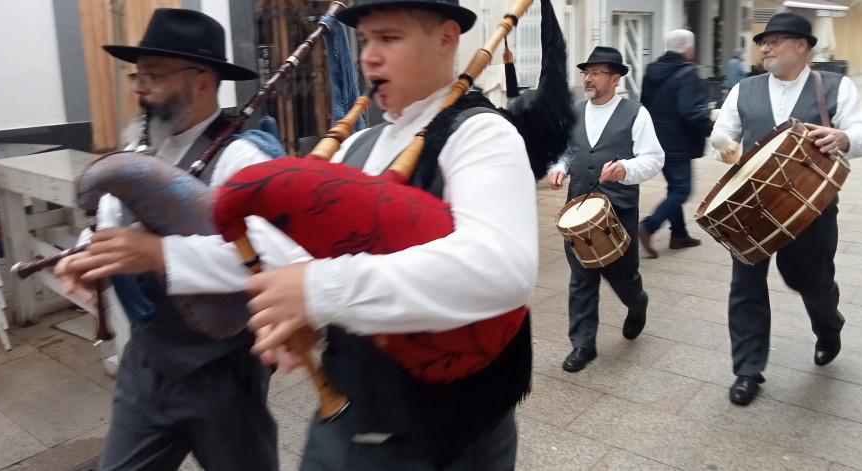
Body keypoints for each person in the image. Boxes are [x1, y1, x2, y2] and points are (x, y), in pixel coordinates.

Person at [240, 0, 538, 469]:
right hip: (342, 426)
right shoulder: (357, 145)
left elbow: (502, 268)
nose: (369, 57)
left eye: (389, 38)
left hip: (447, 439)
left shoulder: (482, 134)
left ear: (446, 38)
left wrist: (319, 290)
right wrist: (301, 313)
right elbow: (306, 260)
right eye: (365, 41)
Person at [54, 9, 307, 470]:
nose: (139, 87)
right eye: (137, 74)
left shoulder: (242, 159)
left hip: (223, 374)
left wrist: (160, 254)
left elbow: (283, 260)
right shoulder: (135, 154)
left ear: (203, 81)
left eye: (154, 75)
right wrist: (89, 261)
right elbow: (111, 232)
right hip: (145, 368)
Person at [711, 12, 862, 406]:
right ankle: (747, 370)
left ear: (802, 45)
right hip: (750, 209)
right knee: (745, 286)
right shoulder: (744, 89)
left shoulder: (835, 86)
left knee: (811, 281)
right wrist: (725, 148)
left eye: (775, 41)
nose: (765, 47)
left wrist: (845, 137)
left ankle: (828, 325)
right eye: (763, 42)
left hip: (811, 208)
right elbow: (721, 133)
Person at [547, 46, 664, 373]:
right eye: (586, 72)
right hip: (578, 211)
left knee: (622, 276)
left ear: (615, 79)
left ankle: (637, 302)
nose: (588, 78)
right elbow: (566, 151)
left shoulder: (636, 113)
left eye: (596, 73)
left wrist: (626, 168)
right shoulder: (575, 112)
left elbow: (654, 158)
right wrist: (558, 166)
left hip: (618, 211)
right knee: (581, 278)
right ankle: (583, 344)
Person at [637, 29, 714, 258]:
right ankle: (649, 226)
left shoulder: (653, 70)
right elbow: (691, 111)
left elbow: (644, 104)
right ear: (688, 48)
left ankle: (679, 234)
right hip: (677, 140)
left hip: (655, 138)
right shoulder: (687, 73)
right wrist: (713, 130)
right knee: (682, 189)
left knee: (675, 188)